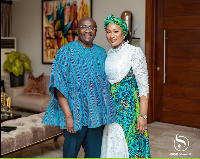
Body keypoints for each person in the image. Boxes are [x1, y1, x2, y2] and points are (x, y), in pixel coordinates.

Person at [42, 17, 118, 158]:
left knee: (94, 154)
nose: (88, 30)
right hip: (75, 113)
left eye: (92, 28)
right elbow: (59, 85)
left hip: (97, 115)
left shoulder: (101, 52)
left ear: (95, 31)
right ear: (77, 30)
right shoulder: (65, 52)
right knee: (71, 153)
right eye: (84, 27)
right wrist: (69, 116)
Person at [101, 14, 151, 158]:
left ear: (124, 32)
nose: (111, 35)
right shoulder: (108, 54)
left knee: (130, 147)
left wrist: (143, 115)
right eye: (108, 31)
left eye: (116, 31)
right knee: (112, 147)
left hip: (130, 111)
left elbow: (144, 87)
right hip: (111, 110)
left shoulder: (134, 52)